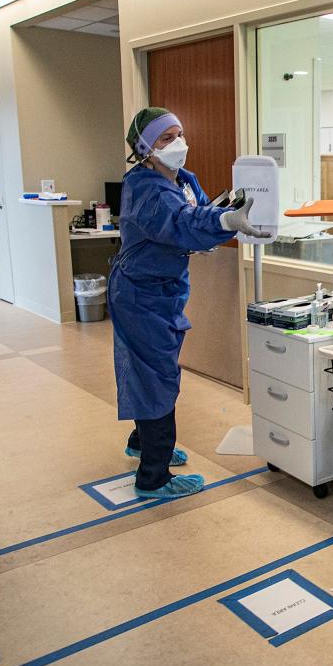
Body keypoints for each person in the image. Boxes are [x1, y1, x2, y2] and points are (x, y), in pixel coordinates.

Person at [109, 107, 267, 499]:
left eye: (179, 134)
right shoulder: (145, 188)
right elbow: (179, 222)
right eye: (166, 138)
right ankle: (153, 477)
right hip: (140, 294)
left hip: (163, 291)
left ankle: (143, 443)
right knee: (157, 376)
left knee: (151, 372)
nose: (178, 144)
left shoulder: (181, 179)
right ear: (145, 149)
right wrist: (224, 224)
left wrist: (217, 222)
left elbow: (196, 214)